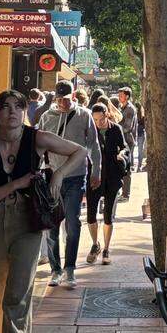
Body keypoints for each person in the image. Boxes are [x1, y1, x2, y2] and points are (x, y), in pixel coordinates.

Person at [0, 89, 87, 333]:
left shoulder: (36, 138)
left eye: (18, 106)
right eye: (5, 106)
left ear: (24, 111)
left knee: (18, 293)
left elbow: (80, 151)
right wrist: (15, 183)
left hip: (27, 219)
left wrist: (59, 174)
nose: (12, 111)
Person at [37, 82, 102, 289]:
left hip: (76, 176)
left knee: (72, 222)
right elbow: (38, 147)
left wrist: (96, 170)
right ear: (54, 98)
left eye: (66, 98)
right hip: (52, 177)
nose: (63, 102)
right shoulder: (47, 117)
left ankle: (70, 268)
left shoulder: (84, 115)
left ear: (72, 96)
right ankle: (55, 270)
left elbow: (93, 144)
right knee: (52, 225)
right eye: (59, 98)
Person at [85, 101, 130, 266]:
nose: (98, 123)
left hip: (111, 175)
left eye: (101, 119)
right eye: (95, 120)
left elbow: (125, 147)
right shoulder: (90, 131)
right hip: (94, 176)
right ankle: (95, 244)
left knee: (108, 215)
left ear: (107, 115)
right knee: (91, 214)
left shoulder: (115, 129)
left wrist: (122, 155)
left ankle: (106, 248)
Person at [116, 88, 137, 200]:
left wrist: (115, 128)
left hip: (128, 141)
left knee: (127, 168)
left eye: (121, 95)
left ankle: (126, 194)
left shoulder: (130, 109)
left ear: (127, 96)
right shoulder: (122, 107)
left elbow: (127, 127)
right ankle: (123, 192)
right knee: (121, 166)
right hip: (123, 140)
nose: (119, 96)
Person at [135, 104, 146, 172]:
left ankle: (137, 166)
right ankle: (139, 166)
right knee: (140, 150)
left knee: (139, 150)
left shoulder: (135, 116)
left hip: (138, 134)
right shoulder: (142, 117)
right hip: (141, 134)